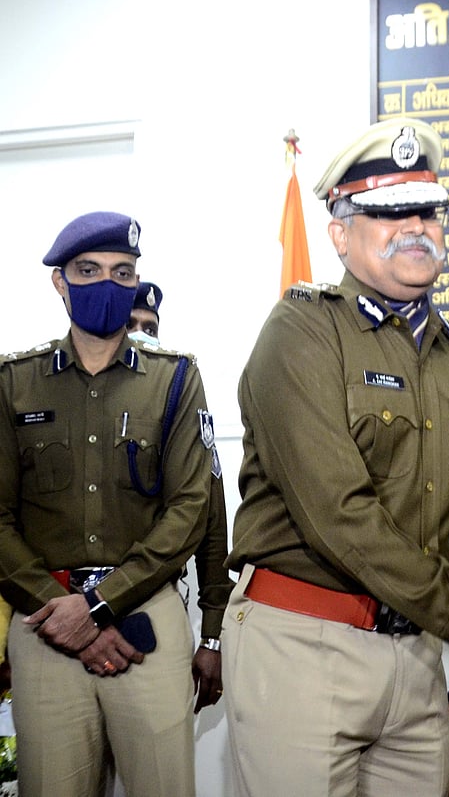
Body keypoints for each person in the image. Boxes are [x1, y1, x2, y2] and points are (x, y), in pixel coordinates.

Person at [222, 116, 449, 797]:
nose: (416, 227)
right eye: (388, 214)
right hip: (304, 644)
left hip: (417, 658)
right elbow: (341, 517)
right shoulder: (301, 332)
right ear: (340, 234)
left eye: (429, 211)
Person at [0, 211, 219, 797]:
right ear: (60, 281)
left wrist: (97, 606)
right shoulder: (13, 383)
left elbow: (190, 511)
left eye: (123, 272)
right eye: (89, 270)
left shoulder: (175, 378)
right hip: (44, 623)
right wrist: (63, 610)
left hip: (145, 618)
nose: (108, 283)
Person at [126, 280, 232, 714]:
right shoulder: (59, 394)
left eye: (149, 326)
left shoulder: (178, 401)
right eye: (130, 323)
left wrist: (211, 635)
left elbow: (211, 522)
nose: (140, 333)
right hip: (70, 611)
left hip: (156, 606)